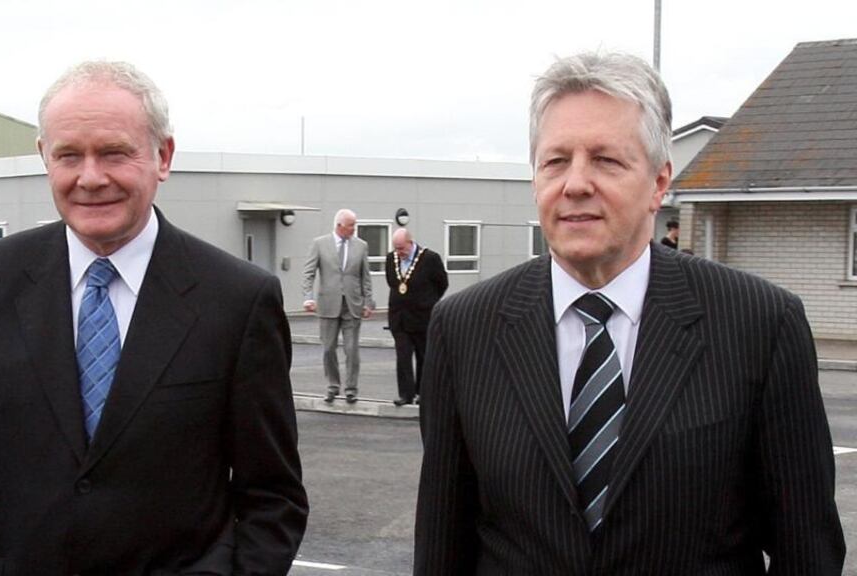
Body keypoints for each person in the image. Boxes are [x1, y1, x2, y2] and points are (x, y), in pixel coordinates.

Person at [414, 52, 844, 575]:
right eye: (555, 161)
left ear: (659, 183)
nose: (575, 184)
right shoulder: (464, 328)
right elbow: (443, 540)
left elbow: (808, 550)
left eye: (605, 160)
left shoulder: (760, 323)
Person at [0, 61, 308, 575]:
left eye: (114, 152)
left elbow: (272, 495)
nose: (91, 178)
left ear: (163, 156)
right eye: (69, 155)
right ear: (45, 158)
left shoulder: (238, 299)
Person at [302, 209, 374, 404]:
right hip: (328, 304)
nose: (354, 228)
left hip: (352, 304)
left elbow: (365, 276)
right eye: (351, 225)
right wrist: (308, 297)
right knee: (328, 349)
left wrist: (368, 301)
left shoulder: (361, 246)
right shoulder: (320, 244)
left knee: (352, 350)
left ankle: (351, 388)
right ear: (340, 225)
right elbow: (308, 273)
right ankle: (333, 385)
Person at [385, 228, 447, 406]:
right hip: (399, 318)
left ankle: (422, 392)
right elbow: (392, 283)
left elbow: (442, 283)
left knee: (423, 356)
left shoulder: (429, 259)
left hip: (422, 317)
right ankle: (406, 394)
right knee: (402, 356)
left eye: (402, 248)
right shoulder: (391, 259)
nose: (399, 252)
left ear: (410, 243)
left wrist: (427, 301)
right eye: (396, 248)